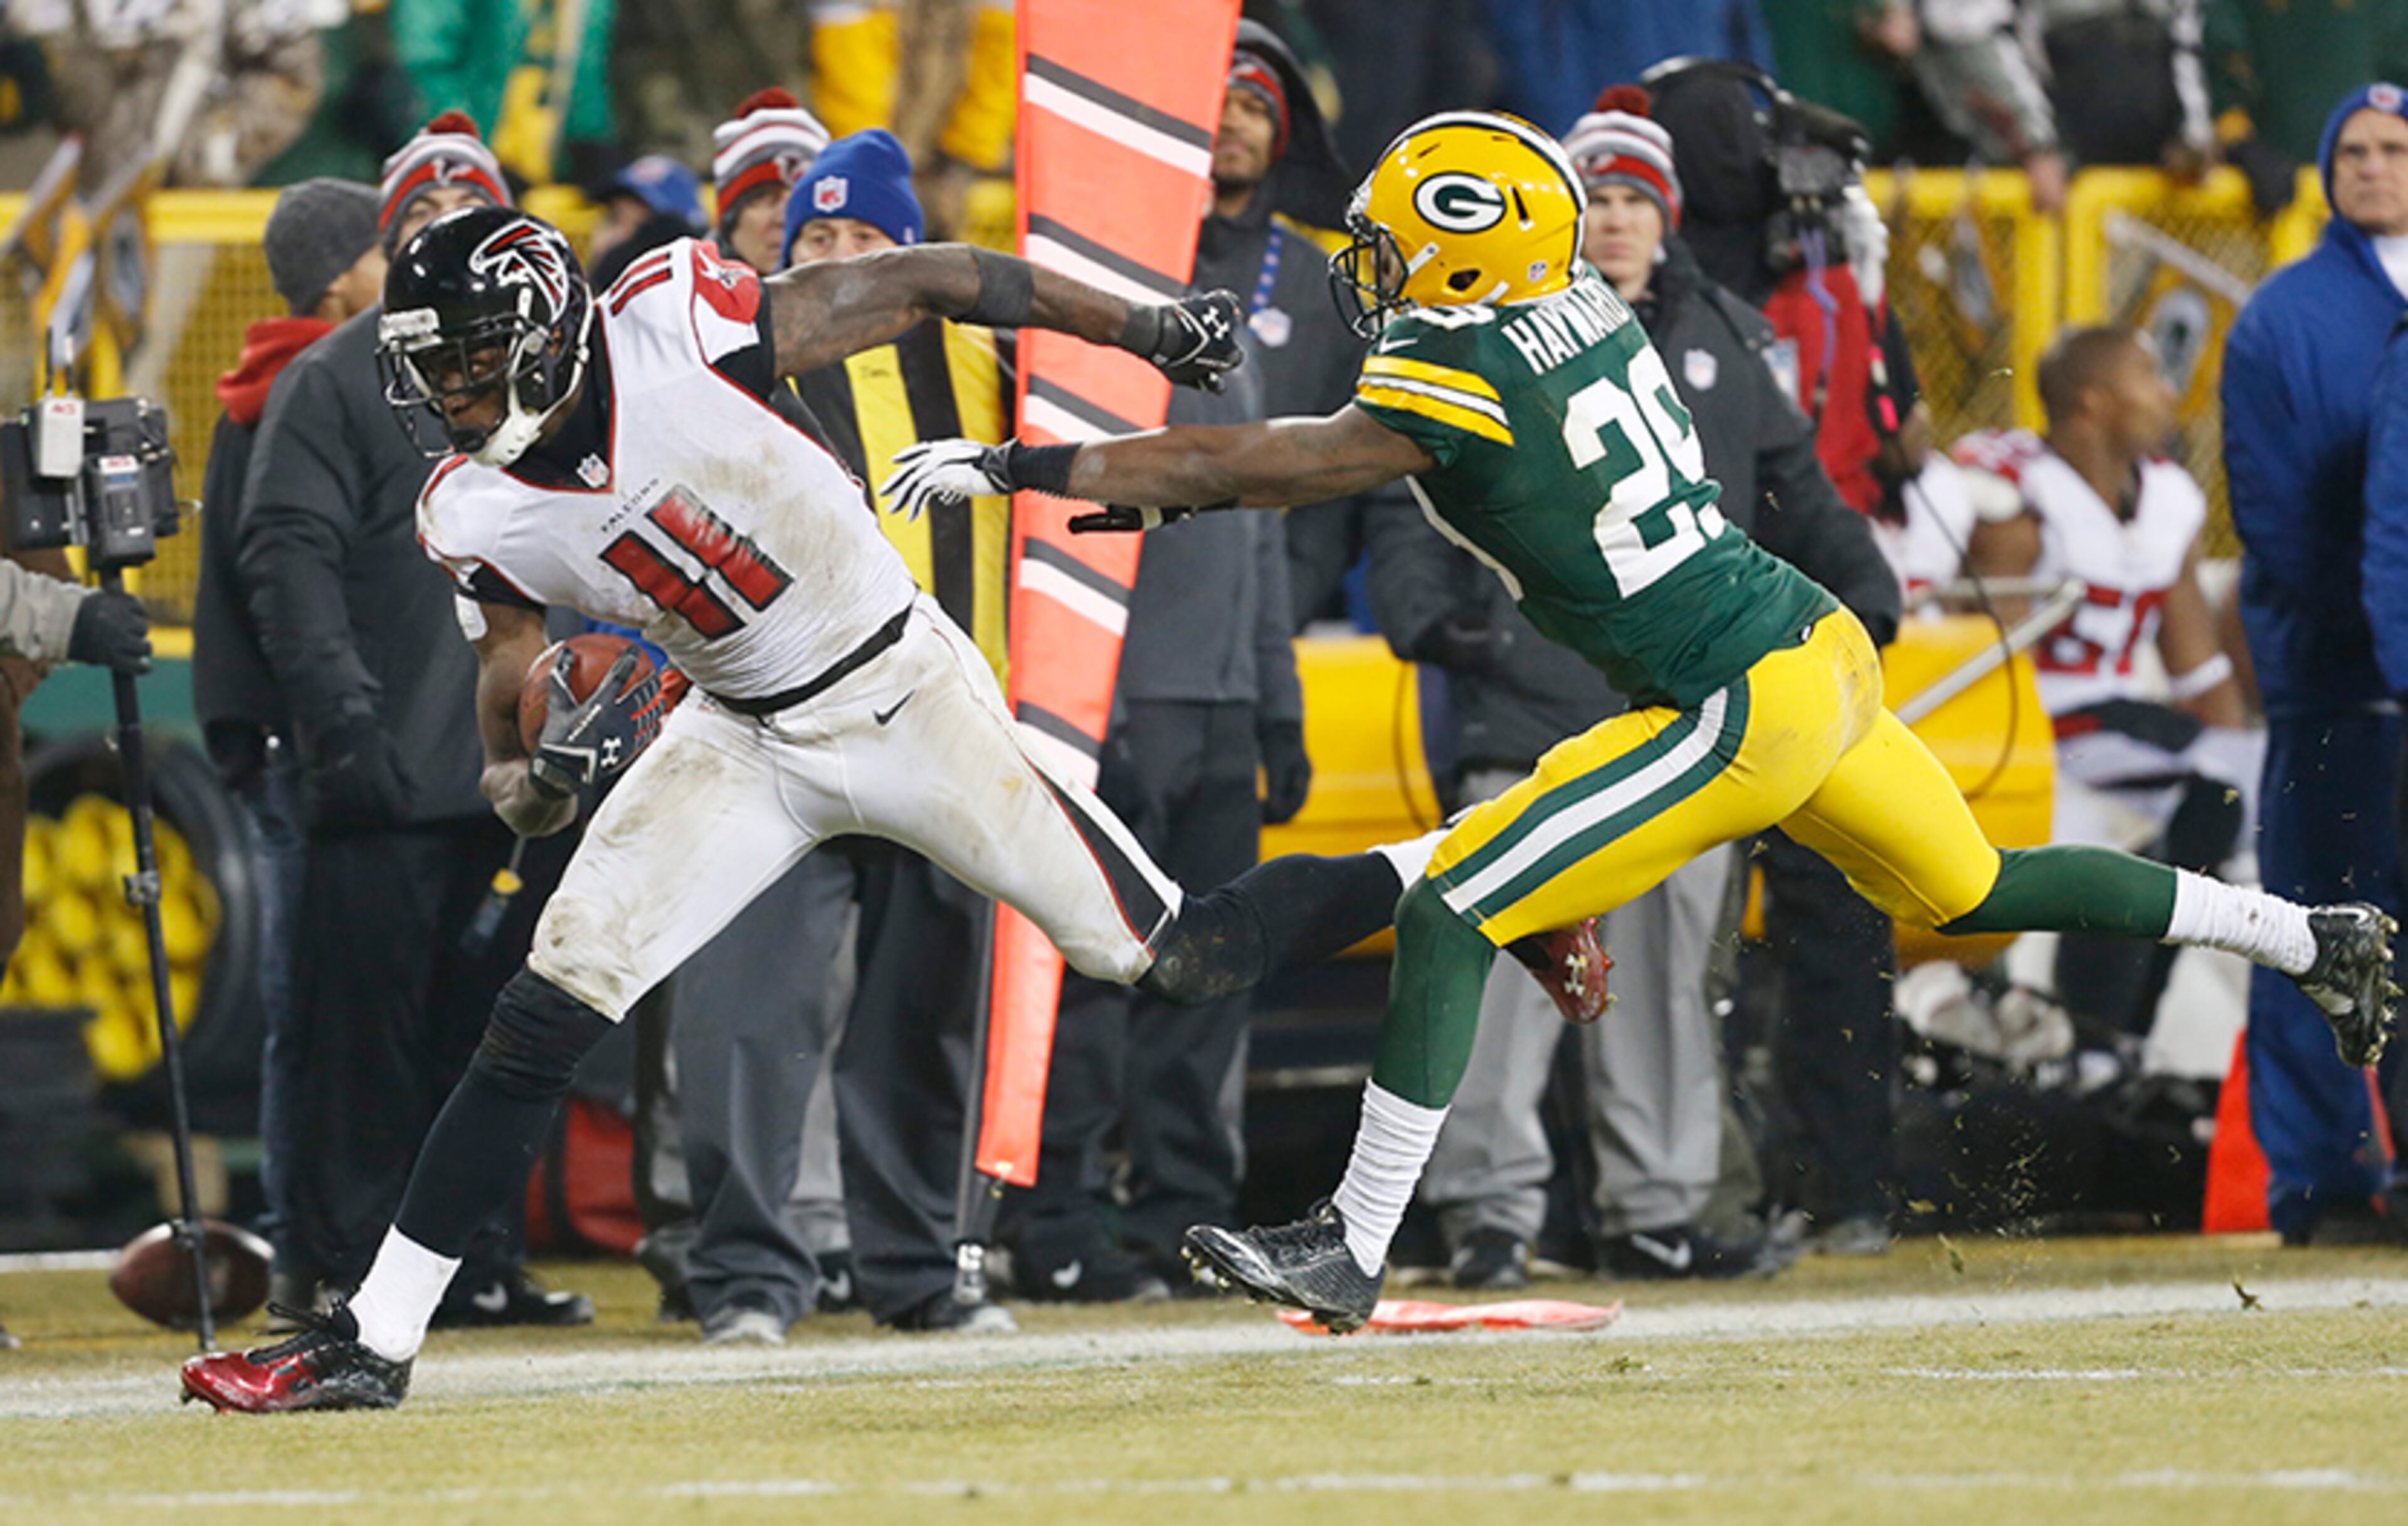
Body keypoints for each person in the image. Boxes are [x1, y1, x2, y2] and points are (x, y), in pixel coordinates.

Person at [884, 109, 2402, 1331]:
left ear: (1464, 261)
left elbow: (1257, 462)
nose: (1373, 273)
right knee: (1970, 886)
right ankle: (2311, 935)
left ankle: (1348, 1244)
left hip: (1733, 694)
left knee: (1455, 904)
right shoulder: (1577, 313)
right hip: (1793, 650)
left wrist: (1035, 470)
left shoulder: (1458, 358)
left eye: (1395, 249)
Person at [179, 199, 1605, 1411]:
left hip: (901, 692)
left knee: (1167, 950)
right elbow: (508, 713)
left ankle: (1480, 870)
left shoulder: (680, 315)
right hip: (732, 735)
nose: (452, 398)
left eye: (474, 362)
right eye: (436, 371)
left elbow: (930, 280)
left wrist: (1146, 329)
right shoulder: (470, 511)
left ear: (550, 331)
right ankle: (375, 1338)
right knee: (548, 1004)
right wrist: (540, 772)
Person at [1378, 92, 1899, 1285]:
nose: (1613, 219)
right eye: (1594, 196)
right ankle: (1490, 1209)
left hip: (1695, 704)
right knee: (1500, 957)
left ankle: (1657, 1201)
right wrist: (1439, 621)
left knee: (1670, 976)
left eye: (1632, 199)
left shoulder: (1719, 333)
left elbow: (1794, 487)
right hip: (1538, 694)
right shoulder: (1479, 329)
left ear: (1666, 218)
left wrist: (1864, 590)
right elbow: (1394, 480)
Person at [234, 113, 591, 1331]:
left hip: (519, 781)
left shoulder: (562, 377)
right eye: (422, 223)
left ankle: (474, 1261)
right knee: (359, 1049)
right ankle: (346, 1269)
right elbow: (285, 551)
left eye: (466, 219)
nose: (443, 244)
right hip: (387, 777)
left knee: (497, 1042)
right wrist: (346, 730)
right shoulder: (334, 376)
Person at [1004, 28, 1326, 1301]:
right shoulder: (1087, 298)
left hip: (1222, 692)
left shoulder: (1260, 307)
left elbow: (1259, 536)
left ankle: (1183, 1216)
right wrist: (1089, 692)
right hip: (1115, 687)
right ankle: (1059, 1217)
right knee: (1094, 965)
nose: (1228, 130)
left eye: (1252, 108)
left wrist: (1277, 700)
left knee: (1213, 973)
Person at [190, 176, 386, 1296]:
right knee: (311, 1003)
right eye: (380, 250)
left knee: (328, 1004)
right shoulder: (290, 393)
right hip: (314, 748)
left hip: (321, 741)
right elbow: (265, 587)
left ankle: (335, 1243)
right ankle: (310, 1249)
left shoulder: (283, 388)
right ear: (339, 275)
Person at [2224, 85, 2408, 1245]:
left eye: (2396, 149)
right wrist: (2371, 640)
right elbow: (2275, 517)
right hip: (2334, 676)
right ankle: (2319, 1180)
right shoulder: (2280, 318)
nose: (2375, 167)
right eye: (2354, 150)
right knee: (2316, 927)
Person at [1958, 328, 2257, 1041]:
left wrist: (2244, 760)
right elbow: (1994, 657)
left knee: (2236, 795)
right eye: (2147, 376)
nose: (2167, 394)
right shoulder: (2022, 498)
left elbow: (2198, 665)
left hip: (2125, 718)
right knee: (2207, 798)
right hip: (2040, 721)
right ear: (2092, 404)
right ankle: (2102, 1029)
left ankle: (2120, 1032)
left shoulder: (2169, 498)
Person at [710, 88, 828, 276]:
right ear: (728, 221)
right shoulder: (679, 301)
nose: (783, 219)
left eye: (802, 198)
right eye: (764, 198)